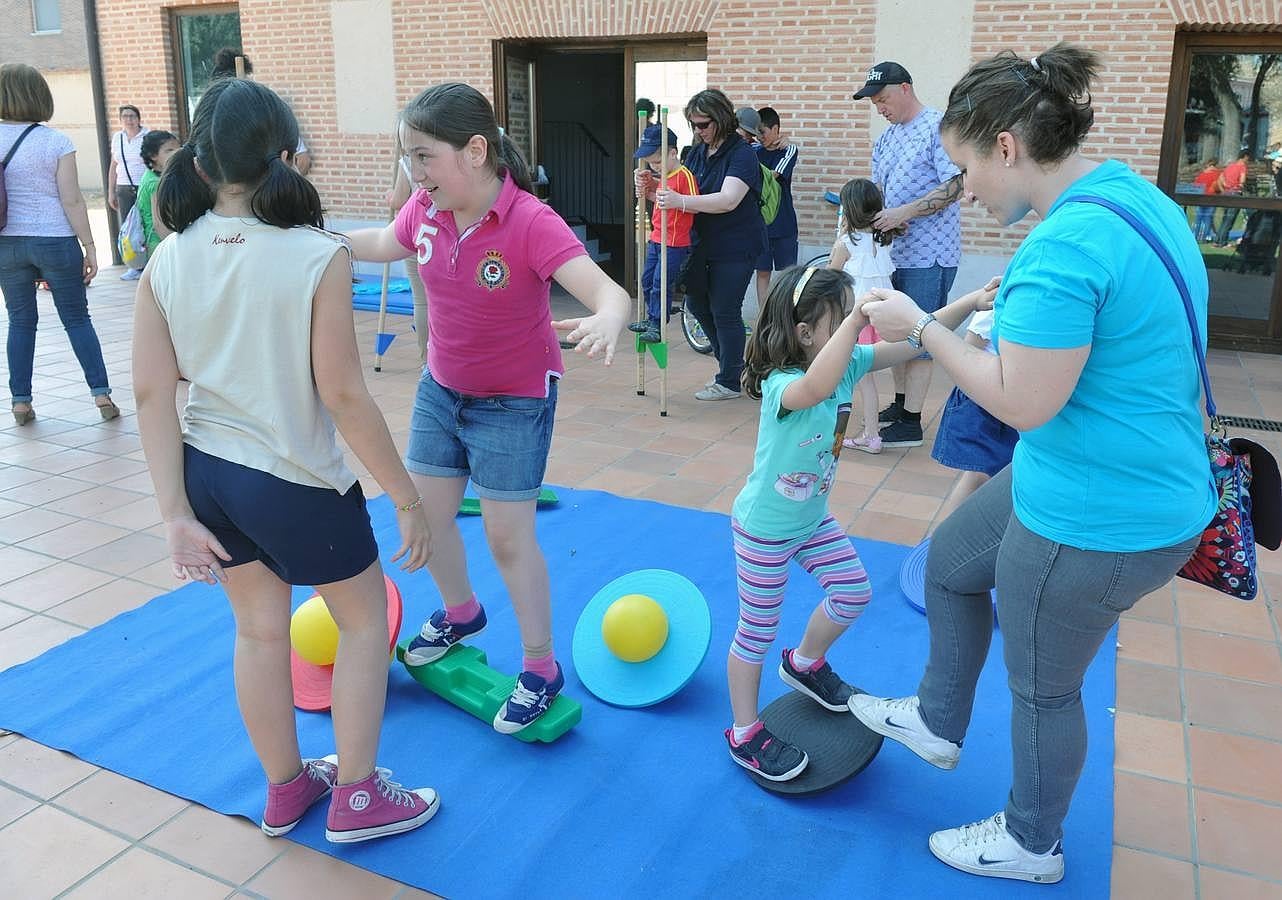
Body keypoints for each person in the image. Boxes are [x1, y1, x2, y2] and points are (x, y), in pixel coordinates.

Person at [854, 44, 1216, 884]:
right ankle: (939, 719)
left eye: (967, 168)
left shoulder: (1065, 246)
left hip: (1097, 515)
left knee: (1044, 691)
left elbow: (1019, 402)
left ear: (1007, 146)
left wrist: (924, 327)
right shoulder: (1125, 195)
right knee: (948, 566)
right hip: (1096, 473)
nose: (965, 191)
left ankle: (1030, 841)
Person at [134, 77, 439, 843]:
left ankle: (285, 788)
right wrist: (403, 495)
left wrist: (174, 514)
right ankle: (358, 796)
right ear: (287, 157)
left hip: (210, 479)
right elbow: (342, 394)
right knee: (365, 627)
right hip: (295, 482)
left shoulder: (168, 258)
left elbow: (148, 396)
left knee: (260, 635)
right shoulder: (316, 254)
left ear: (200, 164)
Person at [345, 82, 629, 734]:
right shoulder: (425, 209)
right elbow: (385, 241)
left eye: (424, 157)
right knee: (423, 520)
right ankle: (461, 609)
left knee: (507, 536)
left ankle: (540, 665)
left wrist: (609, 318)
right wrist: (321, 243)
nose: (414, 173)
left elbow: (605, 291)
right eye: (407, 157)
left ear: (475, 151)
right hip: (442, 392)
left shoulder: (530, 221)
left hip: (513, 404)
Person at [725, 265, 999, 781]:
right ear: (806, 334)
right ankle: (743, 732)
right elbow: (815, 385)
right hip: (763, 530)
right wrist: (856, 322)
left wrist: (970, 303)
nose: (860, 328)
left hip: (810, 521)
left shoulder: (850, 364)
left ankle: (804, 662)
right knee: (755, 632)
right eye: (844, 321)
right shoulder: (784, 384)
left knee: (853, 592)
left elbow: (917, 342)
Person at [0, 63, 117, 425]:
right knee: (77, 319)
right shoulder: (56, 141)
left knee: (20, 322)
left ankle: (21, 401)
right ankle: (101, 396)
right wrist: (90, 245)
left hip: (6, 243)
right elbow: (72, 200)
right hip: (55, 240)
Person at [854, 61, 964, 448]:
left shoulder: (938, 127)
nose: (879, 108)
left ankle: (912, 422)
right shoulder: (885, 140)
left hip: (929, 255)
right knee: (897, 334)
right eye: (874, 103)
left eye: (883, 99)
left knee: (921, 334)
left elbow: (956, 185)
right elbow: (879, 192)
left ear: (905, 88)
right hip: (893, 255)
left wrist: (906, 212)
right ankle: (900, 407)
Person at [659, 89, 765, 401]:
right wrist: (653, 185)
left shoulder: (742, 154)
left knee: (724, 310)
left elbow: (728, 200)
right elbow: (677, 181)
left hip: (736, 244)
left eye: (703, 124)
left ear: (720, 119)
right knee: (696, 304)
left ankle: (730, 380)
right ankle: (732, 367)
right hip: (702, 243)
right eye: (693, 125)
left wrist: (681, 200)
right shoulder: (696, 152)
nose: (698, 131)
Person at [927, 307, 1017, 525]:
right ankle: (939, 540)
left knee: (999, 476)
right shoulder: (995, 307)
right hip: (984, 402)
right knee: (979, 475)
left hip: (1010, 401)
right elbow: (966, 352)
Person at [828, 177, 897, 455]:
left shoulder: (847, 242)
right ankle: (869, 432)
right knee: (864, 378)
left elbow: (832, 276)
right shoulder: (884, 239)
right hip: (882, 314)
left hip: (857, 318)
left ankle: (871, 435)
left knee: (860, 379)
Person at [631, 123, 697, 343]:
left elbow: (694, 204)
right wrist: (647, 189)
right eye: (651, 162)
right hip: (656, 238)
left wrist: (676, 199)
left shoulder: (684, 176)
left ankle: (658, 324)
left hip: (674, 242)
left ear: (673, 152)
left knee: (661, 282)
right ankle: (651, 318)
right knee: (647, 280)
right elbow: (659, 202)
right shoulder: (664, 178)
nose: (654, 166)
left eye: (658, 161)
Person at [753, 107, 800, 308]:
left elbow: (773, 175)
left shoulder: (789, 150)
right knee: (762, 271)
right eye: (756, 132)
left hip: (783, 222)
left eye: (762, 131)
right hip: (760, 223)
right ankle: (765, 314)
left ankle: (786, 315)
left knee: (787, 274)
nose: (759, 136)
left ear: (775, 129)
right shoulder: (754, 151)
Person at [385, 153, 429, 358]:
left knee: (421, 301)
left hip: (416, 234)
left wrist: (390, 196)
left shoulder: (409, 160)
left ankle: (426, 358)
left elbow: (399, 200)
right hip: (433, 235)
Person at [107, 104, 148, 280]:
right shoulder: (118, 138)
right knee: (128, 228)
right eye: (125, 116)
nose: (129, 120)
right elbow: (113, 165)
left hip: (142, 185)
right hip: (124, 186)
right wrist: (111, 191)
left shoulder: (146, 136)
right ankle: (133, 265)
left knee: (144, 225)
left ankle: (146, 263)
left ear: (138, 118)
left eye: (132, 116)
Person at [136, 130, 180, 252]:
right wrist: (174, 247)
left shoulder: (151, 175)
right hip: (159, 244)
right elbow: (159, 223)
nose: (176, 153)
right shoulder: (155, 183)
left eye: (178, 149)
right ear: (153, 155)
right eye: (169, 150)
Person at [1214, 147, 1250, 246]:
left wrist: (1223, 189)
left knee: (1225, 218)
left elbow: (1220, 178)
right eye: (1248, 158)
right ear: (1245, 157)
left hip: (1226, 193)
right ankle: (1223, 241)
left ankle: (1217, 239)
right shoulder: (1242, 167)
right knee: (1230, 219)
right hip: (1235, 193)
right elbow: (1242, 181)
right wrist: (1242, 187)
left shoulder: (1230, 166)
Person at [1191, 158, 1220, 242]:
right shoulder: (1216, 174)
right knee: (1208, 218)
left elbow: (1195, 185)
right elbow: (1217, 185)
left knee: (1198, 218)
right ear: (1214, 165)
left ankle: (1195, 236)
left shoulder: (1202, 174)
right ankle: (1205, 237)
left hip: (1201, 197)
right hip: (1211, 197)